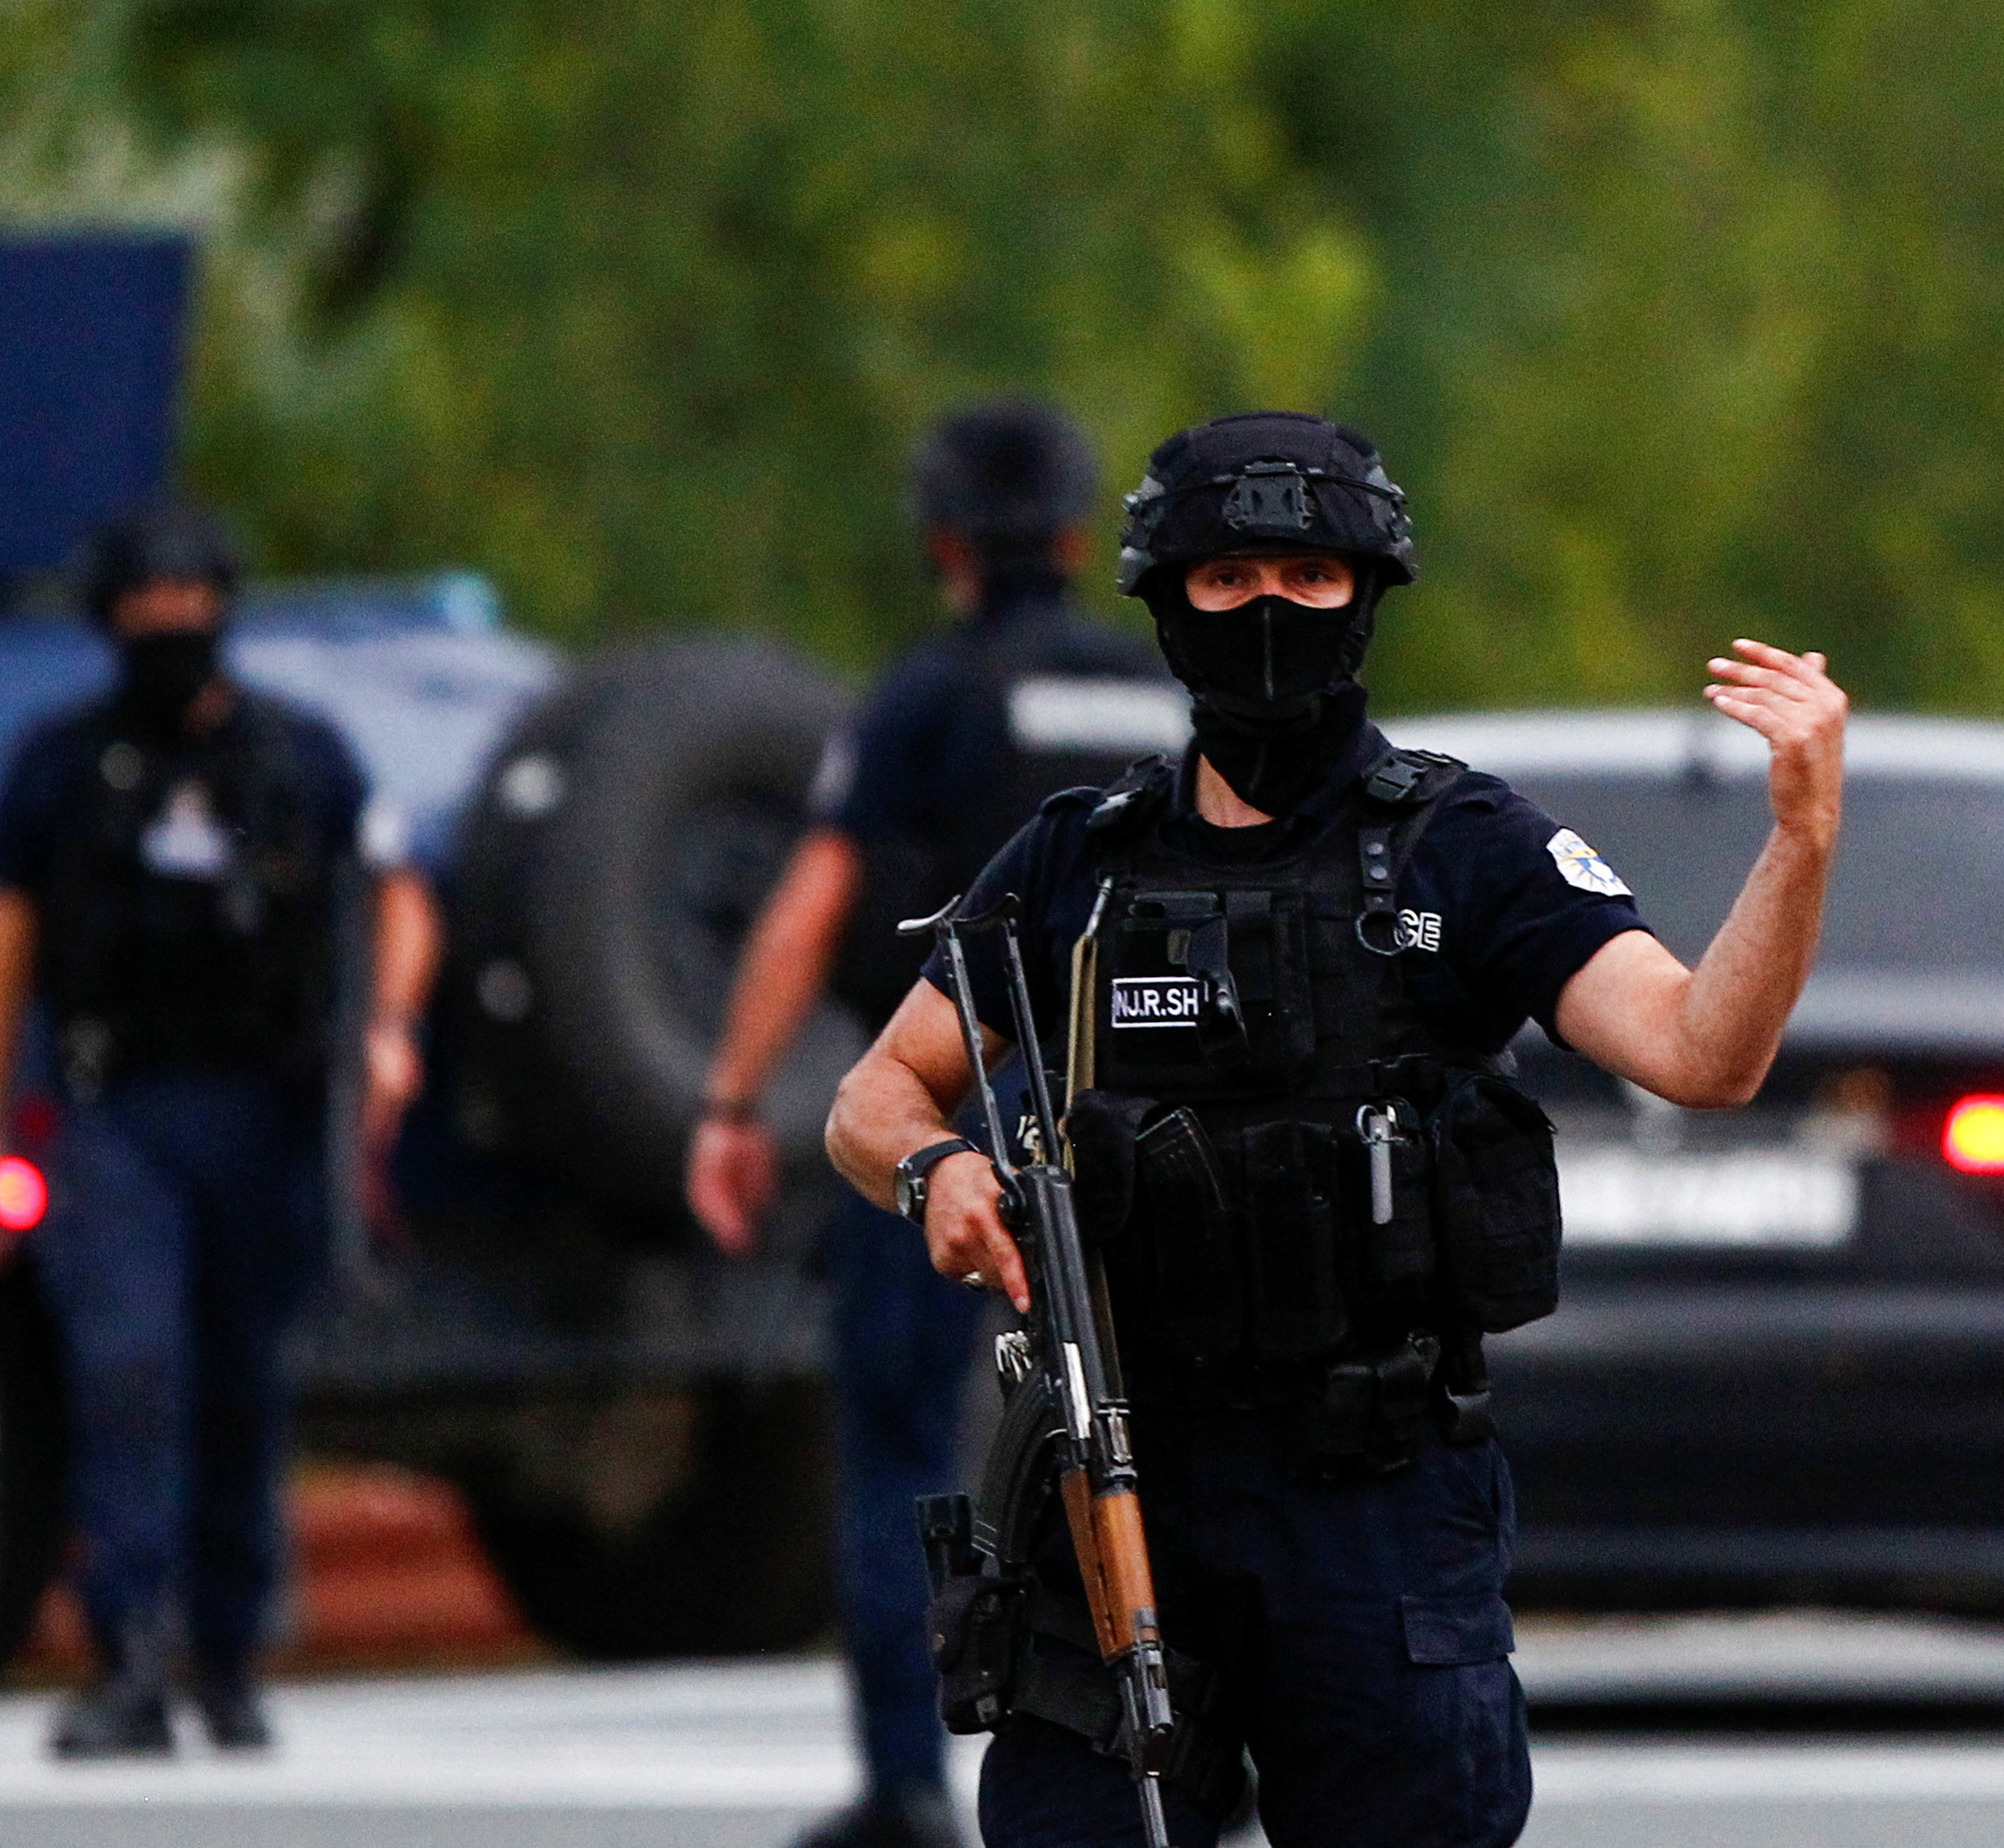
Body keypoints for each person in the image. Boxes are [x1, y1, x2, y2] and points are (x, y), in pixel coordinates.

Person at [825, 411, 1849, 1848]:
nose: (1267, 613)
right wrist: (934, 1170)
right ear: (1163, 597)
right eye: (1227, 578)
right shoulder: (1080, 861)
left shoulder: (1464, 847)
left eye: (1307, 578)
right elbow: (872, 1096)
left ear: (1364, 595)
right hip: (1124, 1484)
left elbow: (1702, 1052)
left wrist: (1797, 842)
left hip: (1372, 1508)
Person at [689, 403, 1181, 1848]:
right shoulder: (1159, 689)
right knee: (1167, 1427)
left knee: (903, 1436)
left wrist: (729, 1101)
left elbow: (812, 905)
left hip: (953, 1094)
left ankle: (910, 1774)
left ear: (944, 540)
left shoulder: (924, 696)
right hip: (1143, 1093)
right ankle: (1202, 1749)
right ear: (1083, 540)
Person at [0, 495, 442, 1758]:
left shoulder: (298, 754)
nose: (169, 635)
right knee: (128, 1369)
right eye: (143, 616)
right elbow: (1, 952)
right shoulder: (62, 764)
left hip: (263, 1112)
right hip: (118, 1113)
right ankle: (125, 1649)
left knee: (238, 1379)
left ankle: (225, 1650)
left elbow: (399, 896)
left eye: (190, 613)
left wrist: (388, 1027)